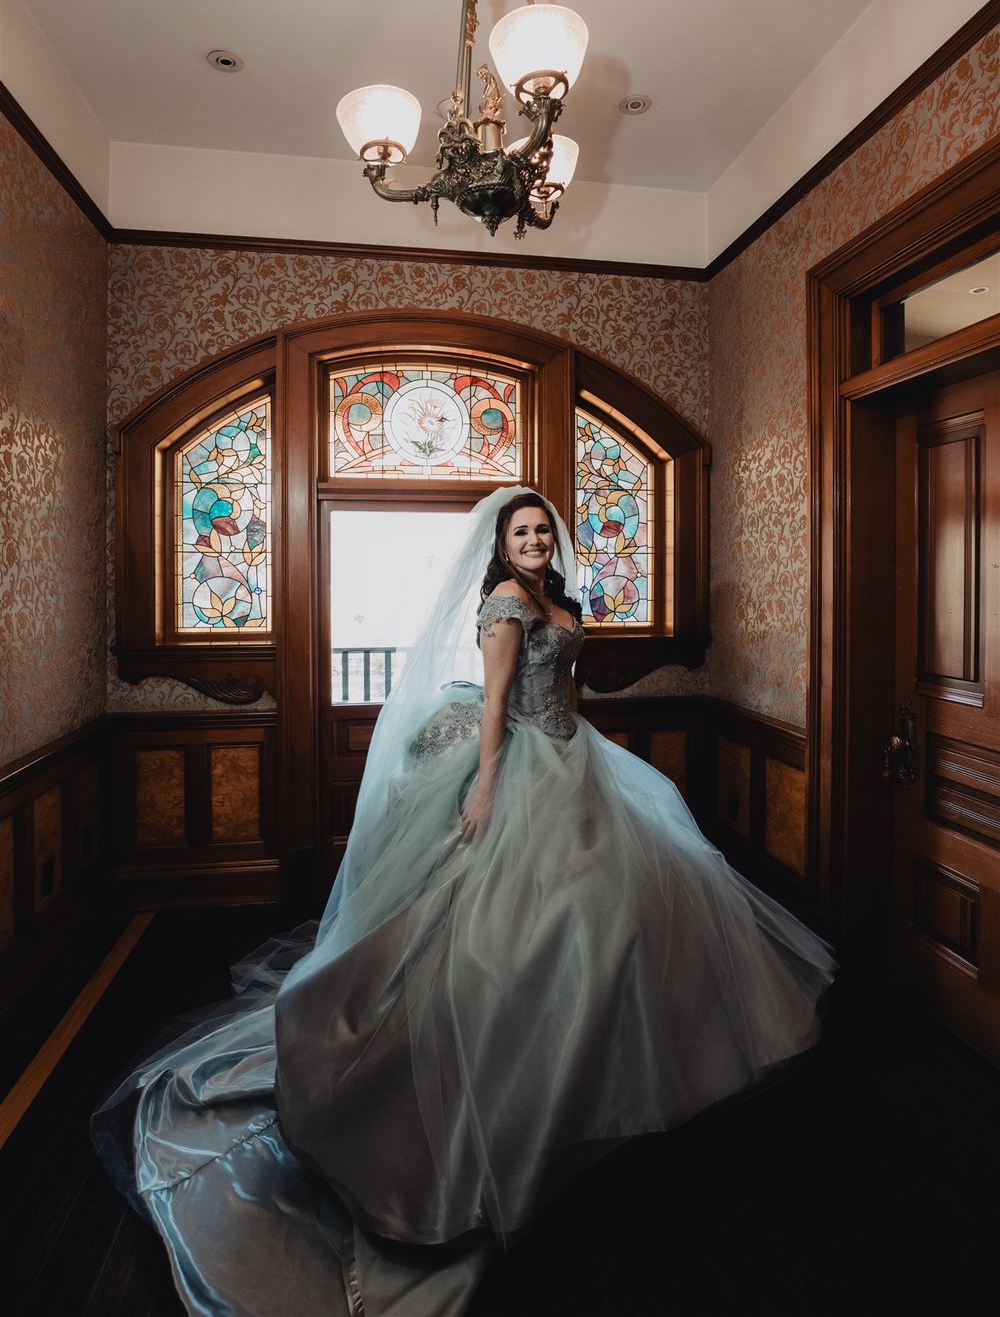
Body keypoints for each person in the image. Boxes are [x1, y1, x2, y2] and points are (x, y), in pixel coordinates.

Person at [94, 485, 835, 1317]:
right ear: (502, 543)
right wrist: (485, 787)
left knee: (634, 902)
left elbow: (570, 693)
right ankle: (506, 1093)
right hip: (516, 765)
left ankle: (625, 1072)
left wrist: (591, 749)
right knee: (518, 926)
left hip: (576, 762)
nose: (533, 540)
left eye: (542, 531)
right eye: (520, 531)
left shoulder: (559, 599)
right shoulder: (504, 605)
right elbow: (497, 701)